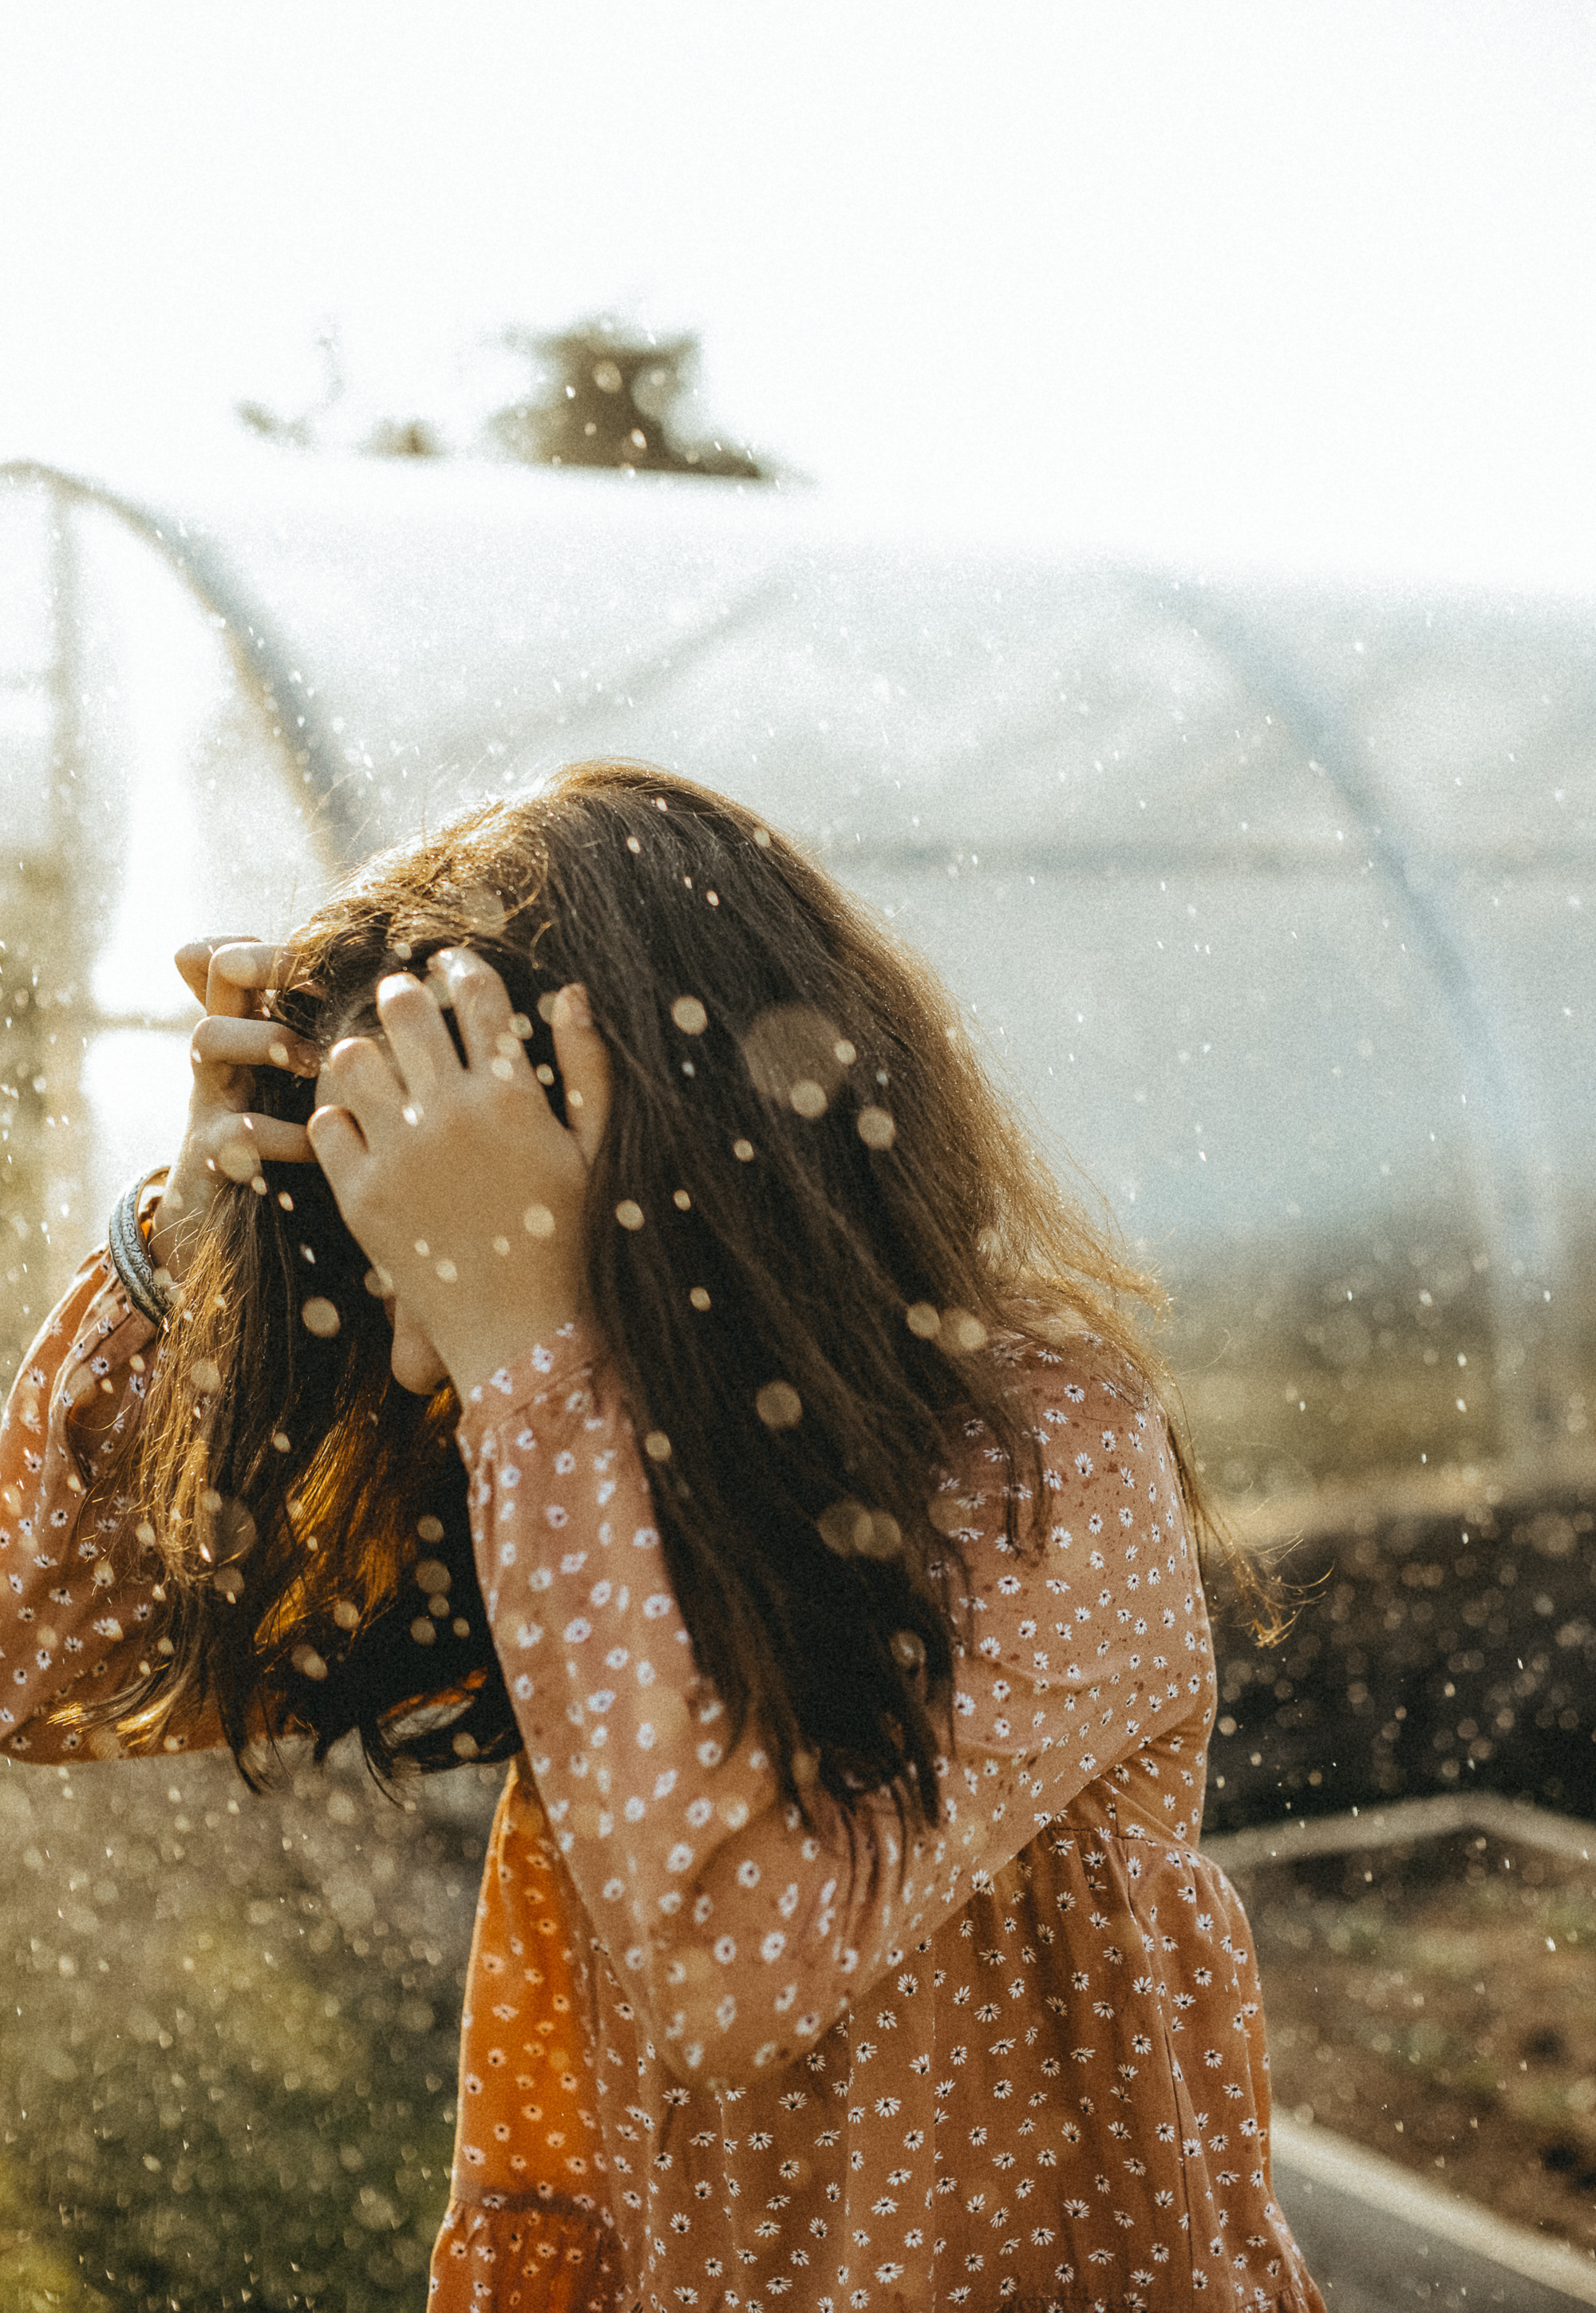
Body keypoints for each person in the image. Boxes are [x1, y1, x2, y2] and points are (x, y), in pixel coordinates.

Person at [0, 762, 1324, 2313]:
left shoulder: (1045, 1457)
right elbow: (42, 1662)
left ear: (671, 1176)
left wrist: (532, 1359)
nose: (410, 1331)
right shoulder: (552, 1447)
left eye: (449, 1225)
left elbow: (738, 1961)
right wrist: (188, 1240)